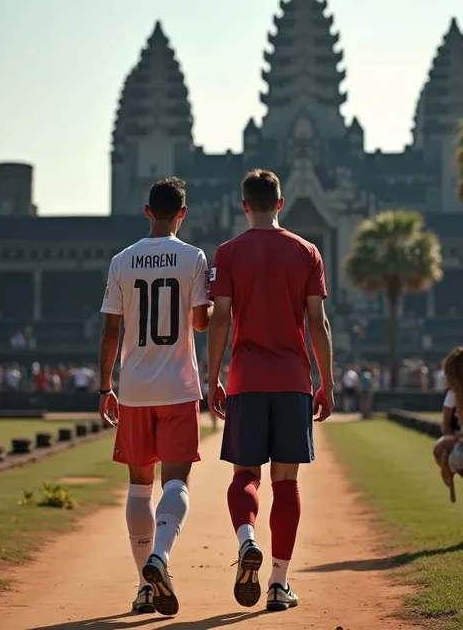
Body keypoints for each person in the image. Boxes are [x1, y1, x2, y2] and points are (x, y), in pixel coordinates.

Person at [207, 169, 334, 613]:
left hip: (246, 377)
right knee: (286, 484)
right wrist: (327, 382)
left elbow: (219, 317)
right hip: (293, 380)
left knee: (245, 477)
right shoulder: (307, 252)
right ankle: (279, 583)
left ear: (245, 205)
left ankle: (246, 542)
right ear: (281, 203)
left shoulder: (228, 252)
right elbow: (317, 323)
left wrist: (212, 378)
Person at [98, 177, 211, 616]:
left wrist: (106, 386)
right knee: (177, 482)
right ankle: (160, 557)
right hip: (179, 386)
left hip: (135, 388)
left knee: (138, 489)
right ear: (182, 213)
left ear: (148, 211)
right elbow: (201, 323)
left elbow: (111, 330)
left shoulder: (122, 260)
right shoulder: (193, 258)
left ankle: (143, 586)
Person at [433, 347, 463, 503]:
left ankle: (448, 471)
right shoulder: (455, 394)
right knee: (443, 447)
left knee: (449, 452)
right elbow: (446, 420)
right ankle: (448, 473)